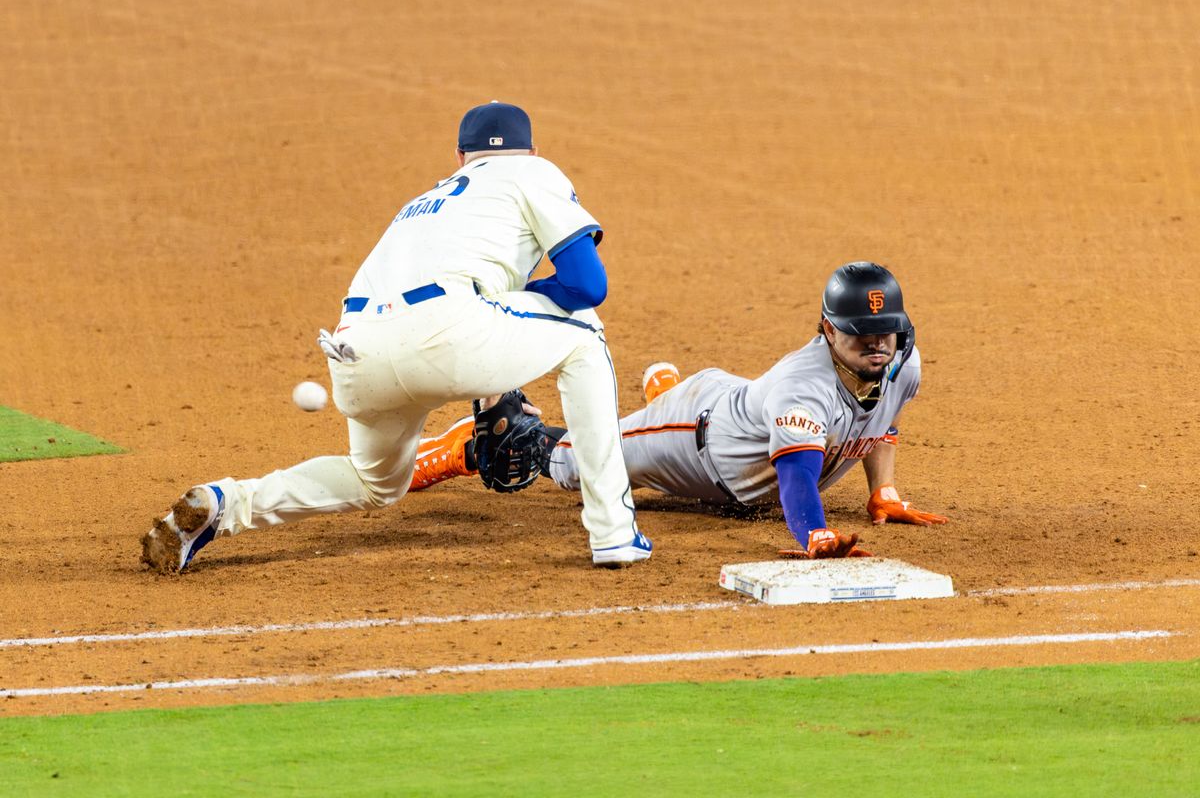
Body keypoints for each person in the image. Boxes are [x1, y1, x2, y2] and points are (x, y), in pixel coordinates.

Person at [141, 102, 651, 573]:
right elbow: (589, 285)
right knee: (584, 328)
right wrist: (536, 300)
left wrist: (495, 382)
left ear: (460, 157)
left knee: (375, 482)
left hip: (355, 350)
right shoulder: (533, 172)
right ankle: (613, 532)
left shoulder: (426, 203)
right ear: (533, 151)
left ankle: (227, 503)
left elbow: (456, 302)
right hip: (451, 335)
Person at [410, 262, 946, 558]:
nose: (878, 344)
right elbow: (797, 480)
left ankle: (659, 399)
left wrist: (884, 493)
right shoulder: (802, 390)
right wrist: (814, 534)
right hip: (696, 440)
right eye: (861, 334)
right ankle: (480, 443)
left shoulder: (902, 361)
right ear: (828, 330)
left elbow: (880, 421)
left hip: (742, 425)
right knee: (581, 466)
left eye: (886, 332)